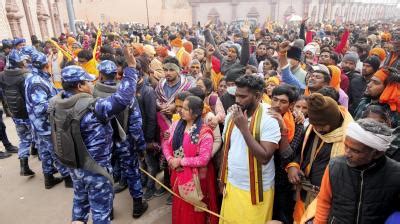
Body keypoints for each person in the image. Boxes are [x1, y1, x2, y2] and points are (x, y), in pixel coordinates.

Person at [48, 46, 138, 223]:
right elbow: (123, 98)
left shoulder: (55, 104)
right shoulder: (92, 108)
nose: (92, 83)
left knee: (80, 205)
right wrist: (131, 68)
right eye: (88, 82)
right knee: (101, 213)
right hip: (95, 170)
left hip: (75, 166)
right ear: (80, 86)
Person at [219, 75, 281, 224]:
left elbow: (264, 157)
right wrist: (221, 178)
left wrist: (244, 129)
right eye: (236, 95)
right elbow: (226, 148)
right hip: (233, 185)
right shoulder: (232, 114)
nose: (237, 100)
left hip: (257, 191)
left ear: (258, 95)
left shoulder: (269, 118)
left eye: (243, 97)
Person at [314, 119, 400, 224]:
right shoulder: (335, 166)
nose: (347, 153)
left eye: (355, 151)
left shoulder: (396, 174)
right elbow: (324, 202)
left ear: (377, 153)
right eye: (346, 146)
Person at [93, 59, 148, 217]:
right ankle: (137, 206)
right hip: (124, 141)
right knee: (132, 171)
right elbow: (136, 124)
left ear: (101, 75)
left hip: (104, 143)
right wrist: (141, 146)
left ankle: (108, 210)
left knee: (106, 175)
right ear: (116, 75)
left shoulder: (93, 92)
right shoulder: (125, 93)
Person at [286, 93, 353, 223]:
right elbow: (299, 151)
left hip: (327, 201)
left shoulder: (349, 137)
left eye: (321, 126)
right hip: (304, 194)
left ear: (334, 121)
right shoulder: (313, 128)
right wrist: (293, 166)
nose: (317, 129)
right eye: (314, 124)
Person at [163, 95, 218, 224]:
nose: (181, 110)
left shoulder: (204, 132)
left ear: (195, 113)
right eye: (181, 107)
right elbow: (165, 142)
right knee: (180, 206)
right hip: (179, 174)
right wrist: (170, 158)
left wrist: (180, 161)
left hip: (197, 179)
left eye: (185, 109)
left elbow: (203, 159)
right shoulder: (176, 125)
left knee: (195, 211)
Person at [26, 52, 72, 188]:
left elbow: (48, 92)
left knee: (45, 151)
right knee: (56, 151)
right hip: (44, 124)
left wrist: (59, 92)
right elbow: (40, 108)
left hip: (39, 124)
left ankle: (48, 178)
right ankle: (67, 178)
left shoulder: (35, 77)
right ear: (44, 65)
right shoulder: (36, 82)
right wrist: (59, 100)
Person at [155, 56, 193, 204]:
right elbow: (157, 99)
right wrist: (161, 107)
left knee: (178, 154)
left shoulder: (187, 85)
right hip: (163, 124)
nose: (168, 73)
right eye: (165, 69)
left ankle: (176, 187)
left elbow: (190, 103)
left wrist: (175, 107)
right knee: (166, 154)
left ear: (178, 71)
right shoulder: (160, 84)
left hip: (181, 126)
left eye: (171, 69)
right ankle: (166, 183)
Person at [269, 84, 304, 223]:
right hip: (262, 173)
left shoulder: (297, 123)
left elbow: (288, 155)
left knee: (281, 214)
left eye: (283, 102)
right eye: (275, 99)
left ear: (291, 104)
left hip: (282, 177)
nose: (277, 105)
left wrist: (283, 126)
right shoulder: (262, 116)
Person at [0, 50, 34, 175]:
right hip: (28, 113)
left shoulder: (2, 75)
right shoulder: (25, 75)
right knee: (39, 138)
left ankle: (24, 165)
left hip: (15, 113)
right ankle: (49, 168)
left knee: (24, 139)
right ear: (20, 62)